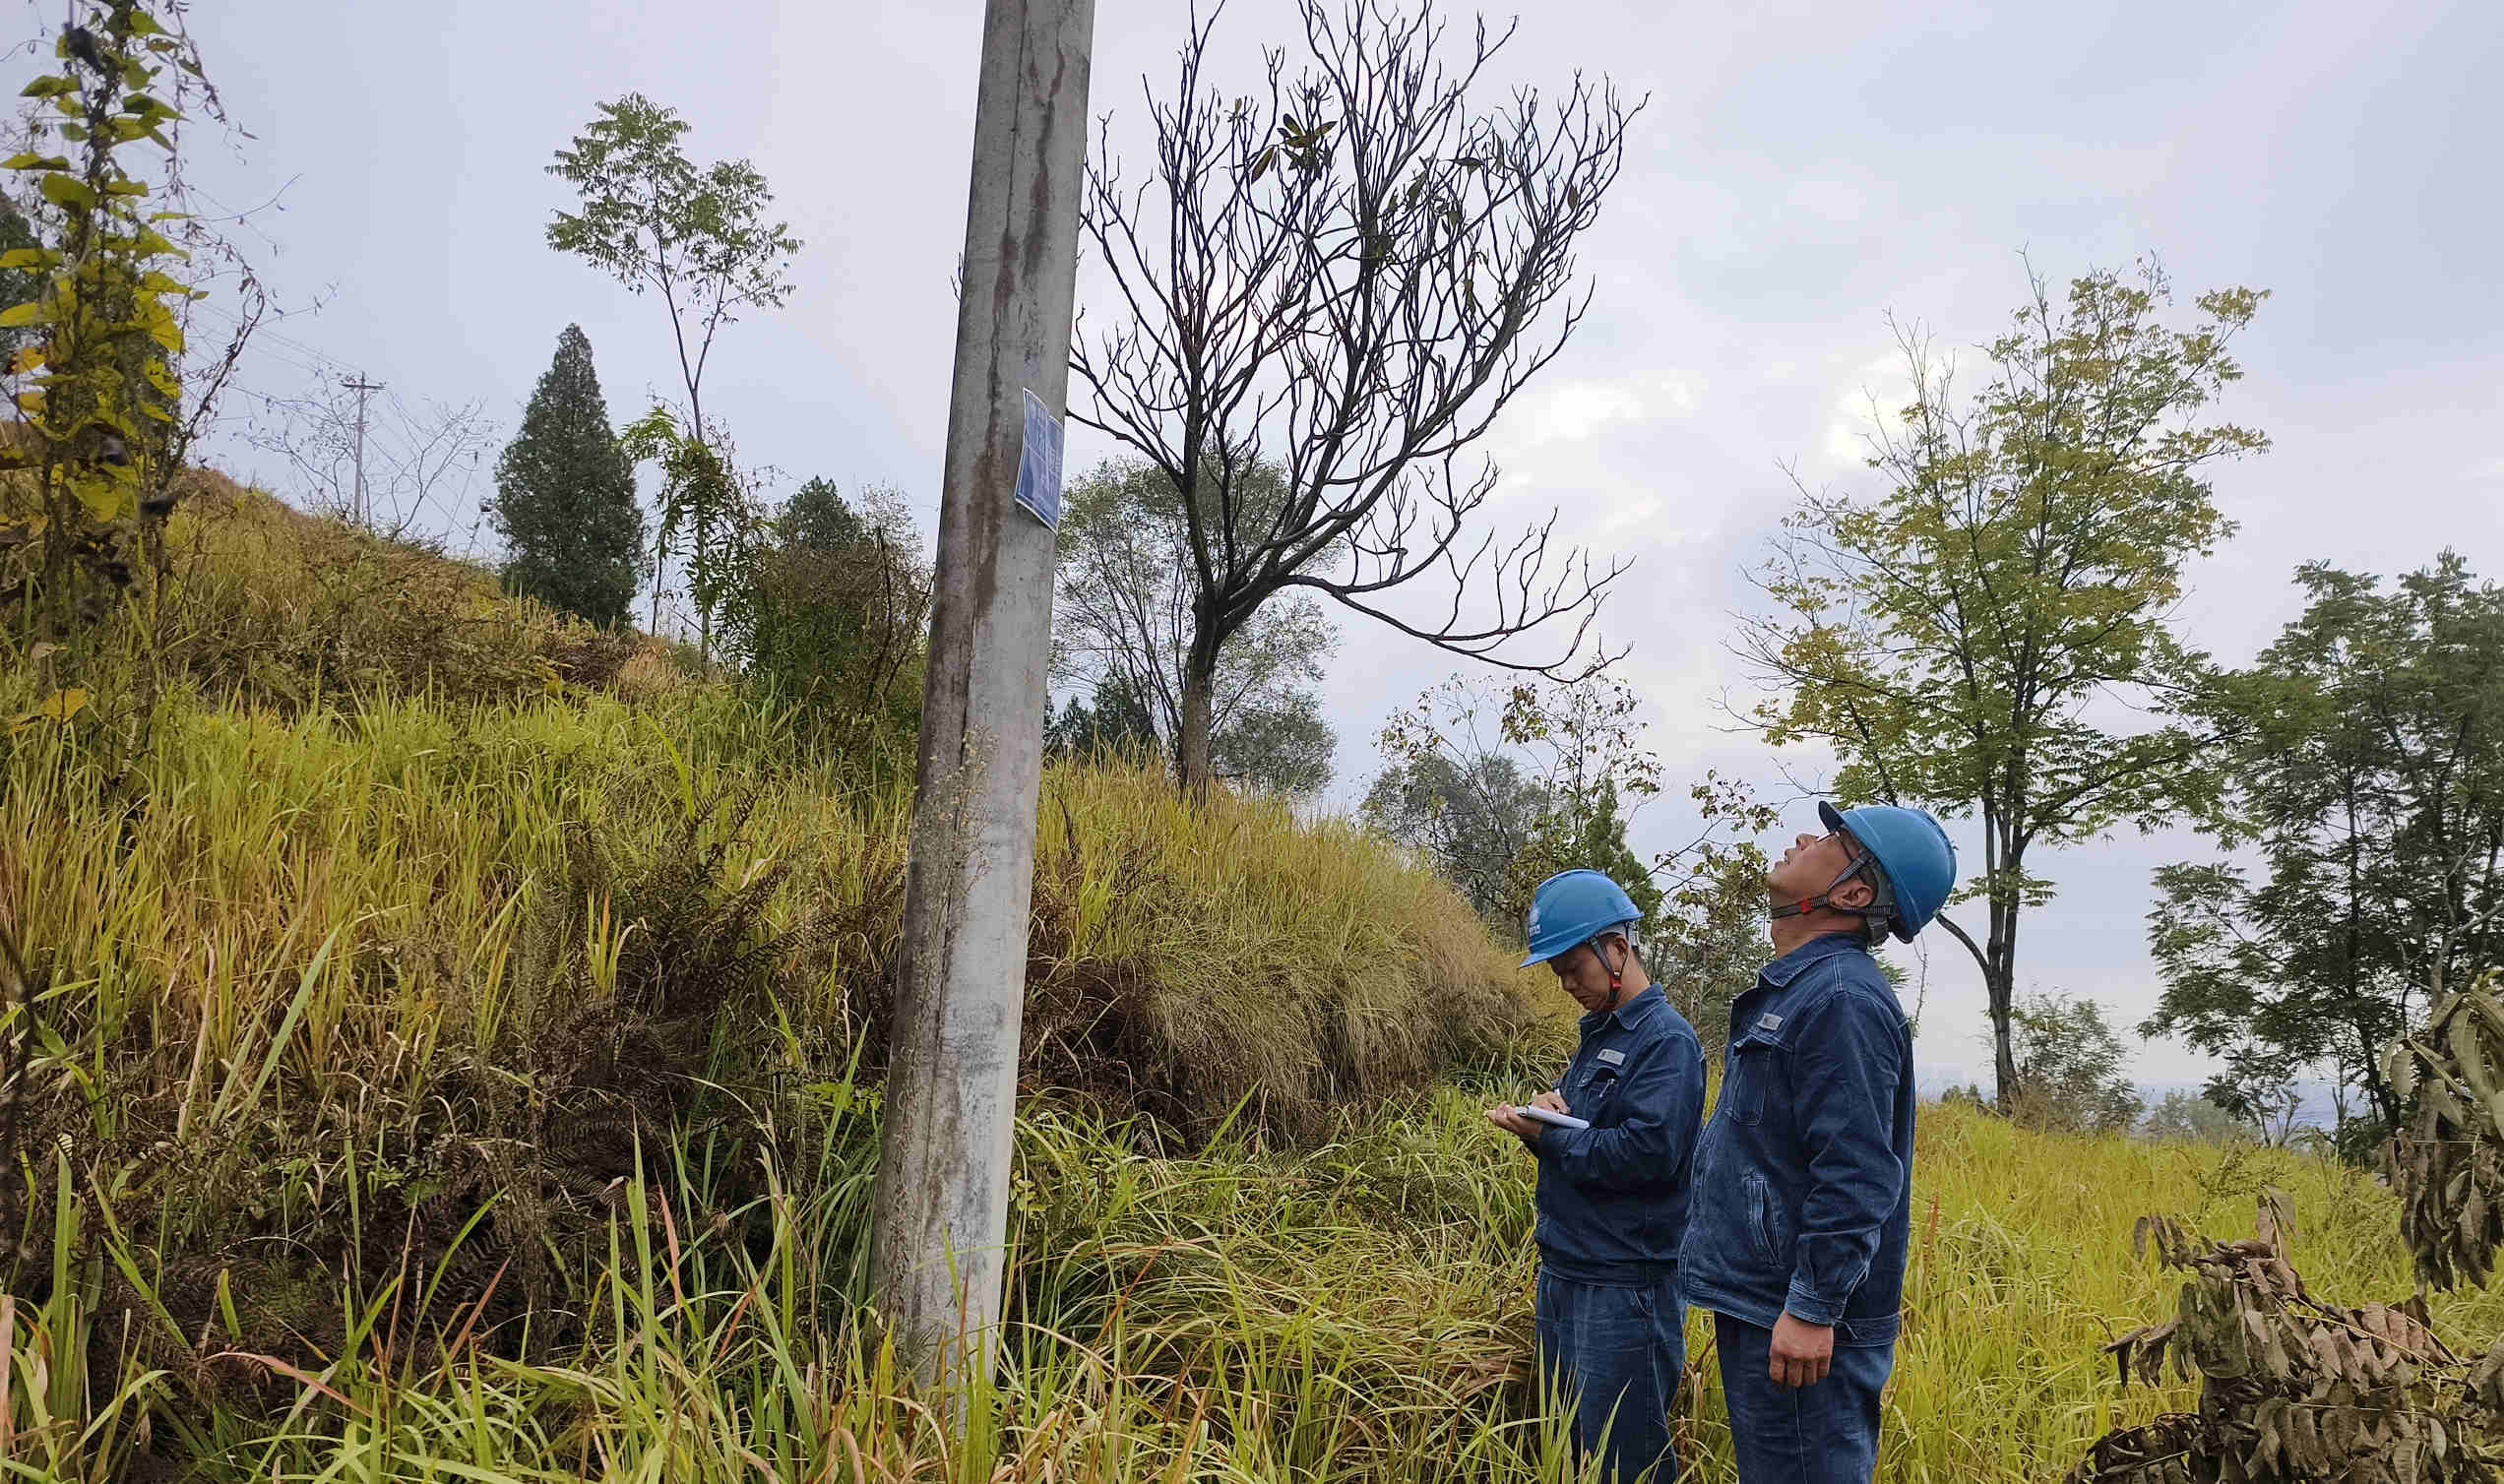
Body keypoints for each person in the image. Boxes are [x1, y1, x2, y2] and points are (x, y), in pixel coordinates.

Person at [1678, 802, 1957, 1483]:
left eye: (1831, 838)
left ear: (1855, 891)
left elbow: (1858, 1175)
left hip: (1801, 1325)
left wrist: (1812, 1307)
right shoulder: (1801, 990)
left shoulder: (1840, 999)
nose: (1804, 837)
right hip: (1765, 1302)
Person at [1488, 869, 1707, 1484]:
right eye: (1557, 974)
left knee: (1625, 1460)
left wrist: (1547, 1138)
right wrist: (1553, 1111)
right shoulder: (1600, 1036)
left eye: (1572, 968)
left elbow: (1646, 1154)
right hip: (1566, 1269)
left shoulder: (1666, 1042)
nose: (1567, 986)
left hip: (1625, 1284)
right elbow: (1594, 1131)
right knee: (1571, 1452)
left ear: (1616, 948)